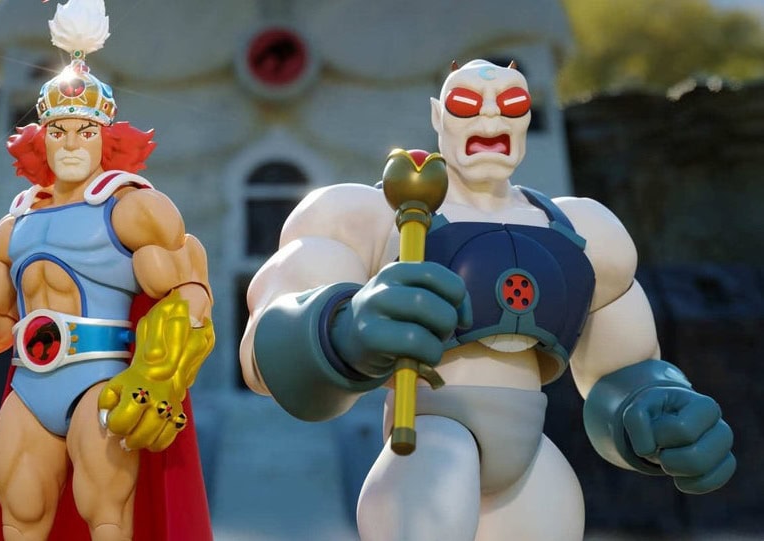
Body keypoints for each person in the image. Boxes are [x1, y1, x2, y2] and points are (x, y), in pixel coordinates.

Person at [239, 59, 735, 541]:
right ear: (438, 116)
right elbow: (269, 339)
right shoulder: (371, 215)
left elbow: (623, 367)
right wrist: (343, 331)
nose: (491, 116)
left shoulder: (582, 230)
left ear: (527, 116)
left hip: (531, 454)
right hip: (433, 438)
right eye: (467, 102)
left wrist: (656, 412)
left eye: (511, 103)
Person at [0, 1, 214, 539]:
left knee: (106, 514)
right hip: (31, 385)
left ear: (106, 139)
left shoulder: (132, 209)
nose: (71, 143)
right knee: (20, 516)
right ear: (41, 139)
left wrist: (159, 373)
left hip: (101, 380)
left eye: (85, 131)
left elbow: (190, 294)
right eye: (59, 131)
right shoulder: (16, 224)